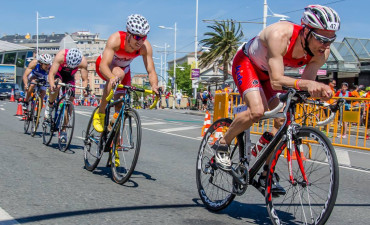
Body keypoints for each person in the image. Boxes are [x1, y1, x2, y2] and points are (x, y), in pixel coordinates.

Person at [212, 5, 340, 195]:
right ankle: (222, 143)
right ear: (306, 31)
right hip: (248, 64)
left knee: (282, 120)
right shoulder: (279, 34)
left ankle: (266, 174)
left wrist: (319, 92)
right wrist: (307, 85)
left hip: (270, 73)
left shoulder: (322, 53)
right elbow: (277, 80)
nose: (326, 45)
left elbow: (306, 84)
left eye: (331, 40)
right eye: (321, 39)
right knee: (257, 110)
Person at [93, 14, 159, 132]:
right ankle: (101, 112)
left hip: (124, 70)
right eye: (137, 37)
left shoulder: (145, 47)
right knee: (118, 73)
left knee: (121, 106)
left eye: (143, 37)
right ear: (128, 34)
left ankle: (115, 142)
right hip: (105, 66)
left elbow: (151, 70)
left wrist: (154, 85)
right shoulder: (116, 39)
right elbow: (104, 65)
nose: (140, 41)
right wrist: (111, 77)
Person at [47, 48, 89, 142]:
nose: (70, 67)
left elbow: (85, 79)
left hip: (69, 76)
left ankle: (63, 130)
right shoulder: (60, 56)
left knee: (70, 99)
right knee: (57, 86)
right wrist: (52, 85)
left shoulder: (83, 62)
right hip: (59, 73)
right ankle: (50, 105)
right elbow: (51, 74)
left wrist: (85, 90)